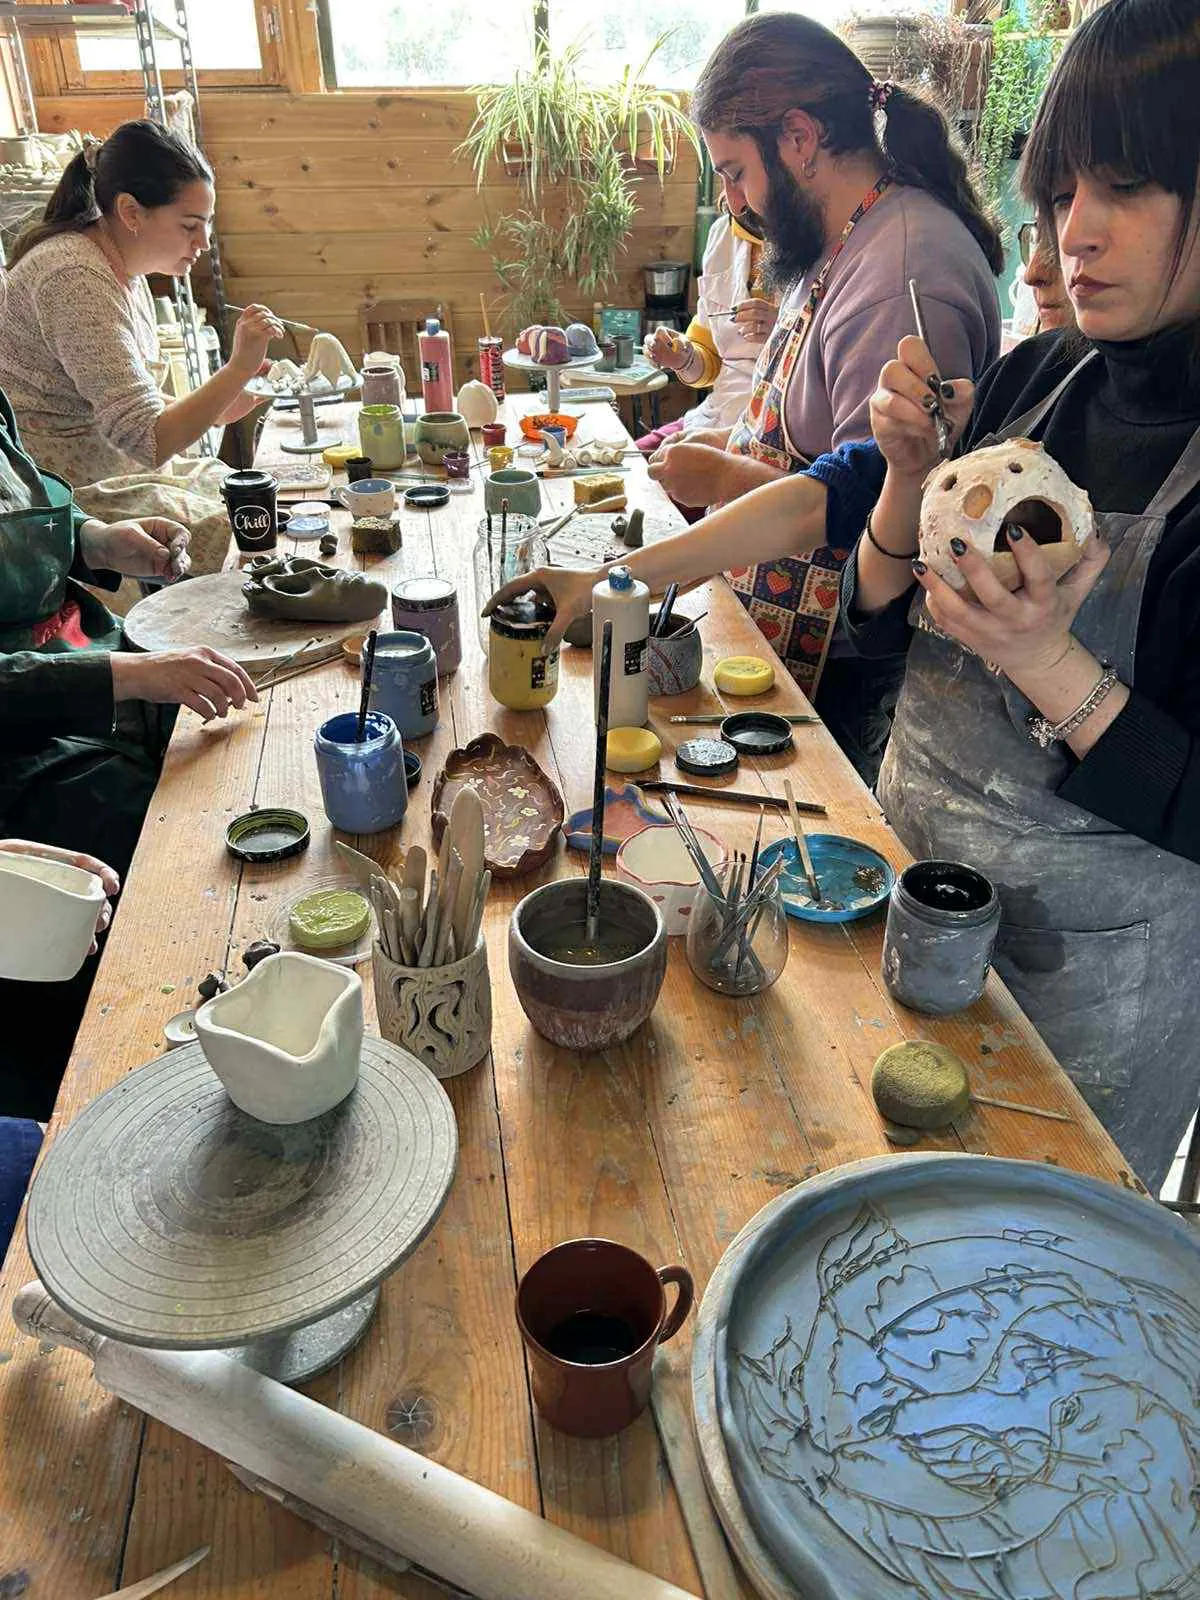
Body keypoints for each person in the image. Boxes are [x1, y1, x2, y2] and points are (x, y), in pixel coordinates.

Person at [842, 0, 1200, 1193]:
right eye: (1059, 191)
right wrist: (906, 479)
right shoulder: (1033, 379)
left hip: (1078, 1006)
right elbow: (878, 621)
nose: (1073, 233)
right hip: (890, 899)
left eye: (1128, 186)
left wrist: (1051, 664)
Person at [645, 13, 1003, 779]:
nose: (735, 202)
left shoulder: (902, 270)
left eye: (736, 171)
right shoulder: (841, 236)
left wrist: (724, 478)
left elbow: (871, 509)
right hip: (782, 628)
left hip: (844, 665)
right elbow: (805, 436)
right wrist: (728, 447)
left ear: (800, 138)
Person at [0, 329, 257, 1117]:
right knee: (164, 839)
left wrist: (102, 541)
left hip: (84, 656)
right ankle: (146, 1065)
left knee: (233, 737)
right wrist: (131, 677)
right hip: (24, 743)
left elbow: (34, 513)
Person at [0, 119, 283, 486]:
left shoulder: (121, 266)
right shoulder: (73, 277)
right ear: (131, 212)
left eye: (207, 224)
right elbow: (149, 441)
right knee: (255, 512)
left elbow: (126, 400)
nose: (204, 242)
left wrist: (222, 404)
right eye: (190, 225)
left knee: (260, 493)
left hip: (116, 473)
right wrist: (238, 369)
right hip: (68, 497)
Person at [636, 202, 776, 490]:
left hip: (766, 437)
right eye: (723, 180)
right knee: (631, 467)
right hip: (714, 414)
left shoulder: (815, 238)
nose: (732, 199)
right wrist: (682, 357)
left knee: (656, 489)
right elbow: (709, 357)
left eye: (737, 178)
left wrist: (783, 326)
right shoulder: (721, 233)